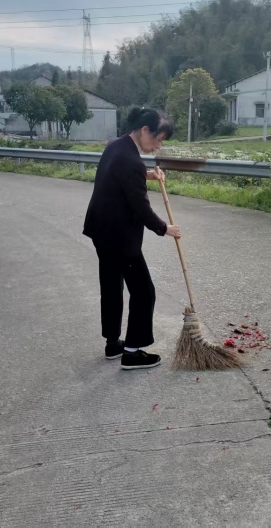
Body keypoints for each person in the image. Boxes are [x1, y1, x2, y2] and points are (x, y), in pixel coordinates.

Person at [83, 107, 181, 370]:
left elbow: (120, 177)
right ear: (145, 130)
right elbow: (141, 209)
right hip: (119, 237)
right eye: (159, 139)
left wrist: (147, 174)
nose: (159, 146)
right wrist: (165, 228)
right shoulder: (132, 161)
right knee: (144, 292)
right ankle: (133, 352)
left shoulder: (116, 146)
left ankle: (113, 344)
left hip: (101, 230)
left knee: (111, 287)